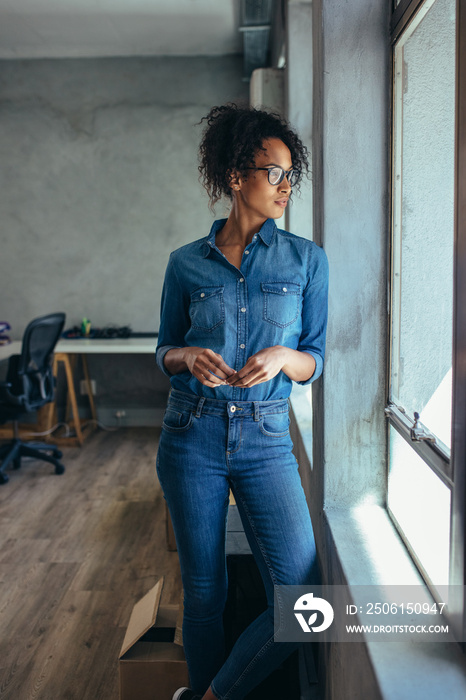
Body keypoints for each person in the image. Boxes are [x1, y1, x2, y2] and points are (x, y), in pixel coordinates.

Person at [155, 104, 329, 700]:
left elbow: (315, 358)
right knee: (205, 594)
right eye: (273, 172)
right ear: (236, 177)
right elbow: (163, 350)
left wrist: (283, 357)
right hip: (191, 434)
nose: (285, 187)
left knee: (306, 602)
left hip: (267, 438)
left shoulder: (307, 260)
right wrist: (185, 357)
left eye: (290, 176)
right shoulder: (185, 264)